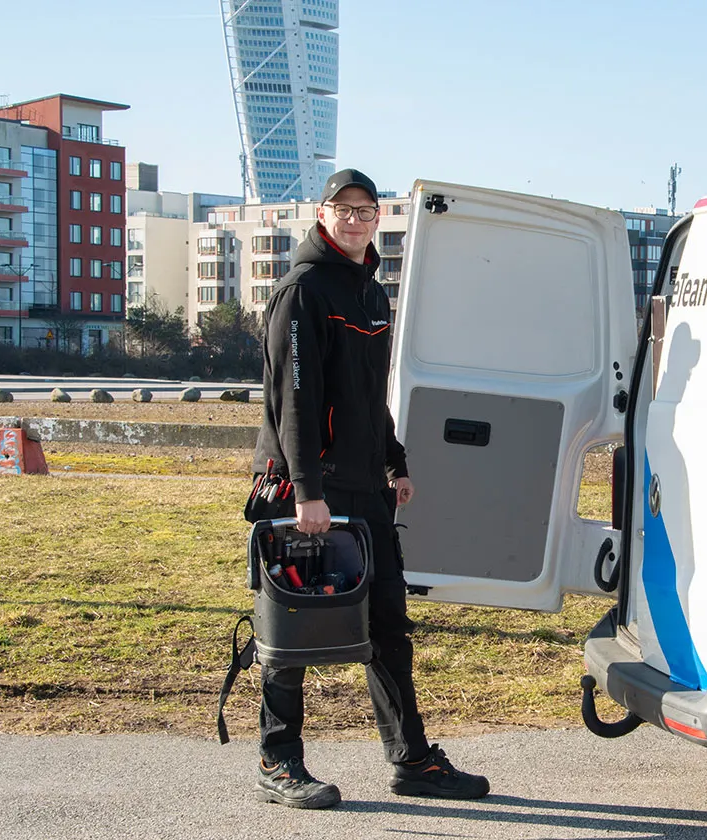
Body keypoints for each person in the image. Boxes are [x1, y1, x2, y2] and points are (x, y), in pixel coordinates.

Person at [250, 168, 490, 809]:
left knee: (388, 624)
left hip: (364, 489)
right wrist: (305, 492)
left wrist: (395, 461)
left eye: (366, 209)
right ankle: (278, 762)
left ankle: (412, 760)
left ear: (376, 217)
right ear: (322, 214)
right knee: (291, 628)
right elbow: (294, 401)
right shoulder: (302, 291)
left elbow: (368, 394)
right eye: (343, 208)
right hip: (306, 491)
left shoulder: (370, 293)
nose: (355, 219)